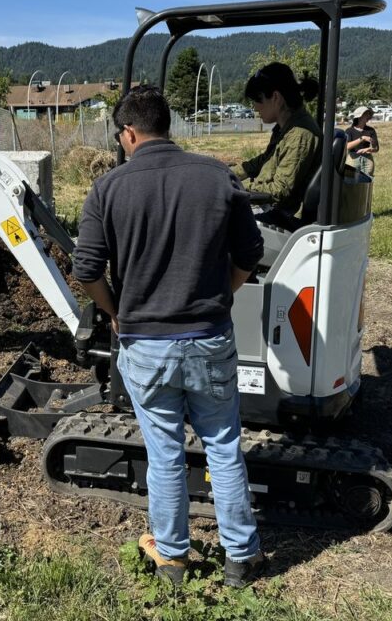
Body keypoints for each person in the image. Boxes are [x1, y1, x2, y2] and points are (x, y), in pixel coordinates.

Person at [72, 86, 266, 589]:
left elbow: (87, 268)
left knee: (164, 454)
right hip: (209, 337)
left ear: (129, 133)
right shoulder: (216, 176)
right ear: (168, 125)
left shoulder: (108, 189)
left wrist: (116, 312)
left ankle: (173, 561)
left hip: (146, 346)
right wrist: (220, 294)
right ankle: (242, 559)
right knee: (223, 446)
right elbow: (250, 251)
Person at [237, 62, 321, 230]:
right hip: (273, 210)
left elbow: (279, 191)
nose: (255, 108)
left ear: (275, 97)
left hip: (284, 218)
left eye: (257, 100)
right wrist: (226, 173)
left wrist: (236, 189)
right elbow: (264, 161)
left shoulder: (299, 134)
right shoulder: (287, 128)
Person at [344, 106, 379, 177]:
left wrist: (369, 149)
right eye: (366, 114)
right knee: (352, 181)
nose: (368, 116)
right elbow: (347, 146)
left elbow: (376, 148)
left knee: (367, 181)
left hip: (368, 159)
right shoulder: (349, 131)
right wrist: (362, 138)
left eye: (369, 114)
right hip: (353, 159)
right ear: (359, 116)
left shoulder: (371, 130)